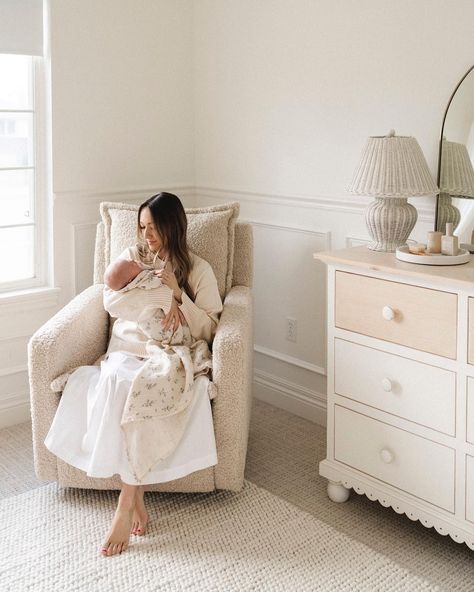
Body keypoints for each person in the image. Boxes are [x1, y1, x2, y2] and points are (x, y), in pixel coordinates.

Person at [44, 192, 223, 557]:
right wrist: (154, 294)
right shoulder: (133, 257)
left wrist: (176, 293)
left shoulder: (199, 269)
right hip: (127, 348)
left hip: (168, 351)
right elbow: (112, 298)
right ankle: (136, 496)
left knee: (143, 387)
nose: (147, 235)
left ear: (174, 226)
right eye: (142, 227)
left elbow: (208, 329)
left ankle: (126, 502)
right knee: (120, 382)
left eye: (154, 228)